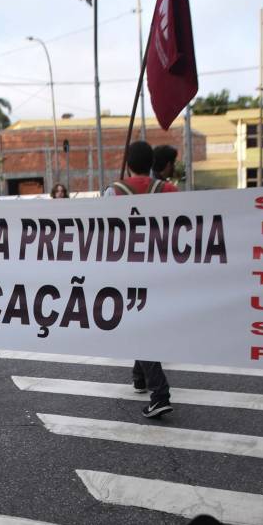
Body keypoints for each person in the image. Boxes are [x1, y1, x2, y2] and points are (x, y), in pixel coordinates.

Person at [110, 141, 177, 418]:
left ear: (127, 163)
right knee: (143, 322)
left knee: (140, 325)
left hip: (127, 268)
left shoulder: (113, 192)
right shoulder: (170, 191)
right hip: (161, 267)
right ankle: (139, 377)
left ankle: (159, 393)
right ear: (152, 163)